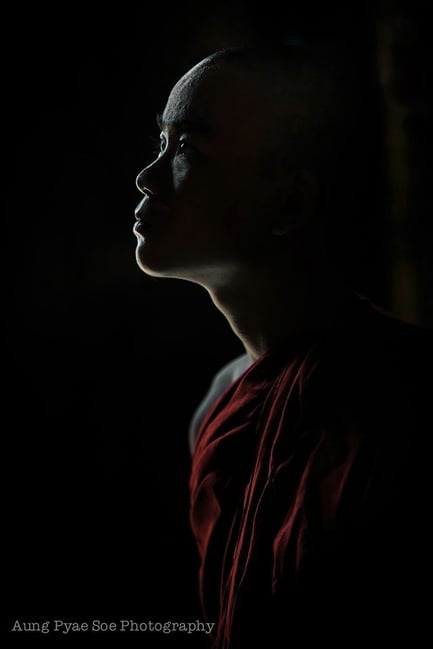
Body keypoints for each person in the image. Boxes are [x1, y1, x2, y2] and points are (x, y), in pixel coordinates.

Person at [133, 43, 433, 648]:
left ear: (290, 200)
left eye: (188, 147)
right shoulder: (218, 406)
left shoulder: (404, 397)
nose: (148, 177)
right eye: (161, 143)